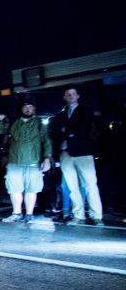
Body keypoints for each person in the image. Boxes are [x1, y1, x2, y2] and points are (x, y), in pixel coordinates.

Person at [49, 87, 104, 225]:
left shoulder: (85, 111)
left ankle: (96, 215)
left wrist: (65, 130)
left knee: (90, 185)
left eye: (73, 94)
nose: (70, 96)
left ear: (78, 96)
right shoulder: (60, 115)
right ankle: (78, 215)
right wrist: (68, 131)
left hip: (83, 153)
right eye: (68, 94)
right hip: (65, 153)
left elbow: (82, 129)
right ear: (64, 97)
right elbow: (55, 132)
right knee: (72, 187)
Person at [0, 100, 51, 224]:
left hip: (33, 162)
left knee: (31, 189)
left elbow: (46, 141)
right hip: (14, 161)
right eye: (25, 106)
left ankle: (29, 215)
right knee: (14, 189)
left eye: (30, 106)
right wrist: (0, 119)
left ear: (34, 108)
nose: (27, 109)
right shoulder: (14, 122)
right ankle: (16, 213)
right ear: (21, 109)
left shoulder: (40, 124)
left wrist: (47, 158)